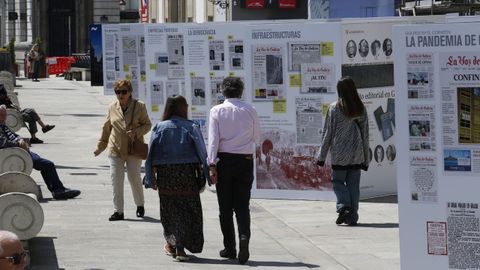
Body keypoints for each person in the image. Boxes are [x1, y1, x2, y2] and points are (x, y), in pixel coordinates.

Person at [144, 95, 210, 262]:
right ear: (183, 108)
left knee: (170, 210)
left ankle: (174, 245)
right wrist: (208, 175)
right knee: (189, 210)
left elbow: (150, 155)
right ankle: (179, 247)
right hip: (187, 175)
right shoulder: (191, 127)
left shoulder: (159, 127)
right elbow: (202, 153)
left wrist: (150, 178)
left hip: (166, 175)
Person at [208, 77, 260, 264]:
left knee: (225, 208)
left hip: (224, 161)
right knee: (242, 206)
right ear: (241, 91)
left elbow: (213, 141)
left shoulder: (216, 111)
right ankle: (244, 236)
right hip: (245, 161)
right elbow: (256, 136)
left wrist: (212, 164)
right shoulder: (250, 110)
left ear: (223, 91)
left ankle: (230, 247)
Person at [94, 79, 151, 221]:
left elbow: (148, 125)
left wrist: (136, 132)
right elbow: (107, 127)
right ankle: (118, 211)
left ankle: (140, 204)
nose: (120, 95)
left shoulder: (140, 106)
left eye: (124, 92)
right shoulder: (112, 107)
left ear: (130, 92)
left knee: (134, 178)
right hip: (116, 148)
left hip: (133, 148)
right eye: (117, 92)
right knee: (116, 180)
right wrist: (100, 146)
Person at [316, 77, 369, 226]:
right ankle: (352, 217)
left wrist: (321, 156)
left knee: (337, 182)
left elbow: (328, 133)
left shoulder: (334, 108)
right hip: (357, 154)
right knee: (353, 186)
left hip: (339, 154)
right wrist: (366, 159)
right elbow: (365, 135)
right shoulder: (361, 108)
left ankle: (343, 206)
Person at [0, 105, 80, 200]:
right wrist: (18, 143)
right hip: (13, 155)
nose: (4, 117)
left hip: (19, 152)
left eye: (5, 115)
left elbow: (14, 135)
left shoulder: (2, 125)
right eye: (1, 115)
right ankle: (58, 191)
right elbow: (3, 142)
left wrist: (20, 140)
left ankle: (59, 189)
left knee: (42, 161)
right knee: (48, 164)